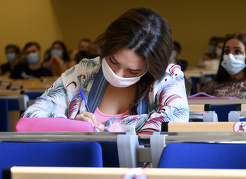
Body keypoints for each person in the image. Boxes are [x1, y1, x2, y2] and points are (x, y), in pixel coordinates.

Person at [21, 7, 190, 134]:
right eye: (113, 61)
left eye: (133, 71)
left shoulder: (168, 76)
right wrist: (72, 125)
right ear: (105, 47)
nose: (118, 74)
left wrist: (110, 128)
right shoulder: (85, 71)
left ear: (152, 67)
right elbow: (30, 117)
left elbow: (176, 121)